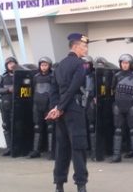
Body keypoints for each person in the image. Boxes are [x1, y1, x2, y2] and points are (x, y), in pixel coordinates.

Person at [46, 33, 89, 192]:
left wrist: (55, 108)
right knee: (78, 147)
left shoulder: (59, 65)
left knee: (62, 148)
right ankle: (81, 185)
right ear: (76, 47)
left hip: (61, 112)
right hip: (74, 109)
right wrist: (60, 108)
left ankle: (59, 184)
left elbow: (53, 89)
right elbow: (72, 89)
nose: (85, 49)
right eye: (84, 46)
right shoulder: (80, 64)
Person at [110, 54, 133, 164]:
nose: (124, 65)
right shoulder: (117, 75)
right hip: (119, 106)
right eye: (123, 63)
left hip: (132, 106)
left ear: (130, 64)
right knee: (118, 130)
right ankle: (116, 156)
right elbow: (112, 91)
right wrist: (114, 105)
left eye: (126, 63)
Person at [30, 57, 56, 159]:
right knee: (37, 127)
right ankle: (36, 150)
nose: (43, 67)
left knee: (50, 127)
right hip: (37, 104)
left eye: (45, 65)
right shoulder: (36, 77)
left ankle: (51, 151)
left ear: (49, 66)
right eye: (42, 65)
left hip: (49, 104)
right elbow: (33, 89)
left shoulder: (53, 76)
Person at [0, 56, 18, 156]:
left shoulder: (19, 75)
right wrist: (8, 90)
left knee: (17, 126)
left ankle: (17, 147)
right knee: (6, 126)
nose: (11, 65)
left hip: (18, 105)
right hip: (6, 105)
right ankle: (9, 148)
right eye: (9, 64)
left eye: (13, 63)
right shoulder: (3, 77)